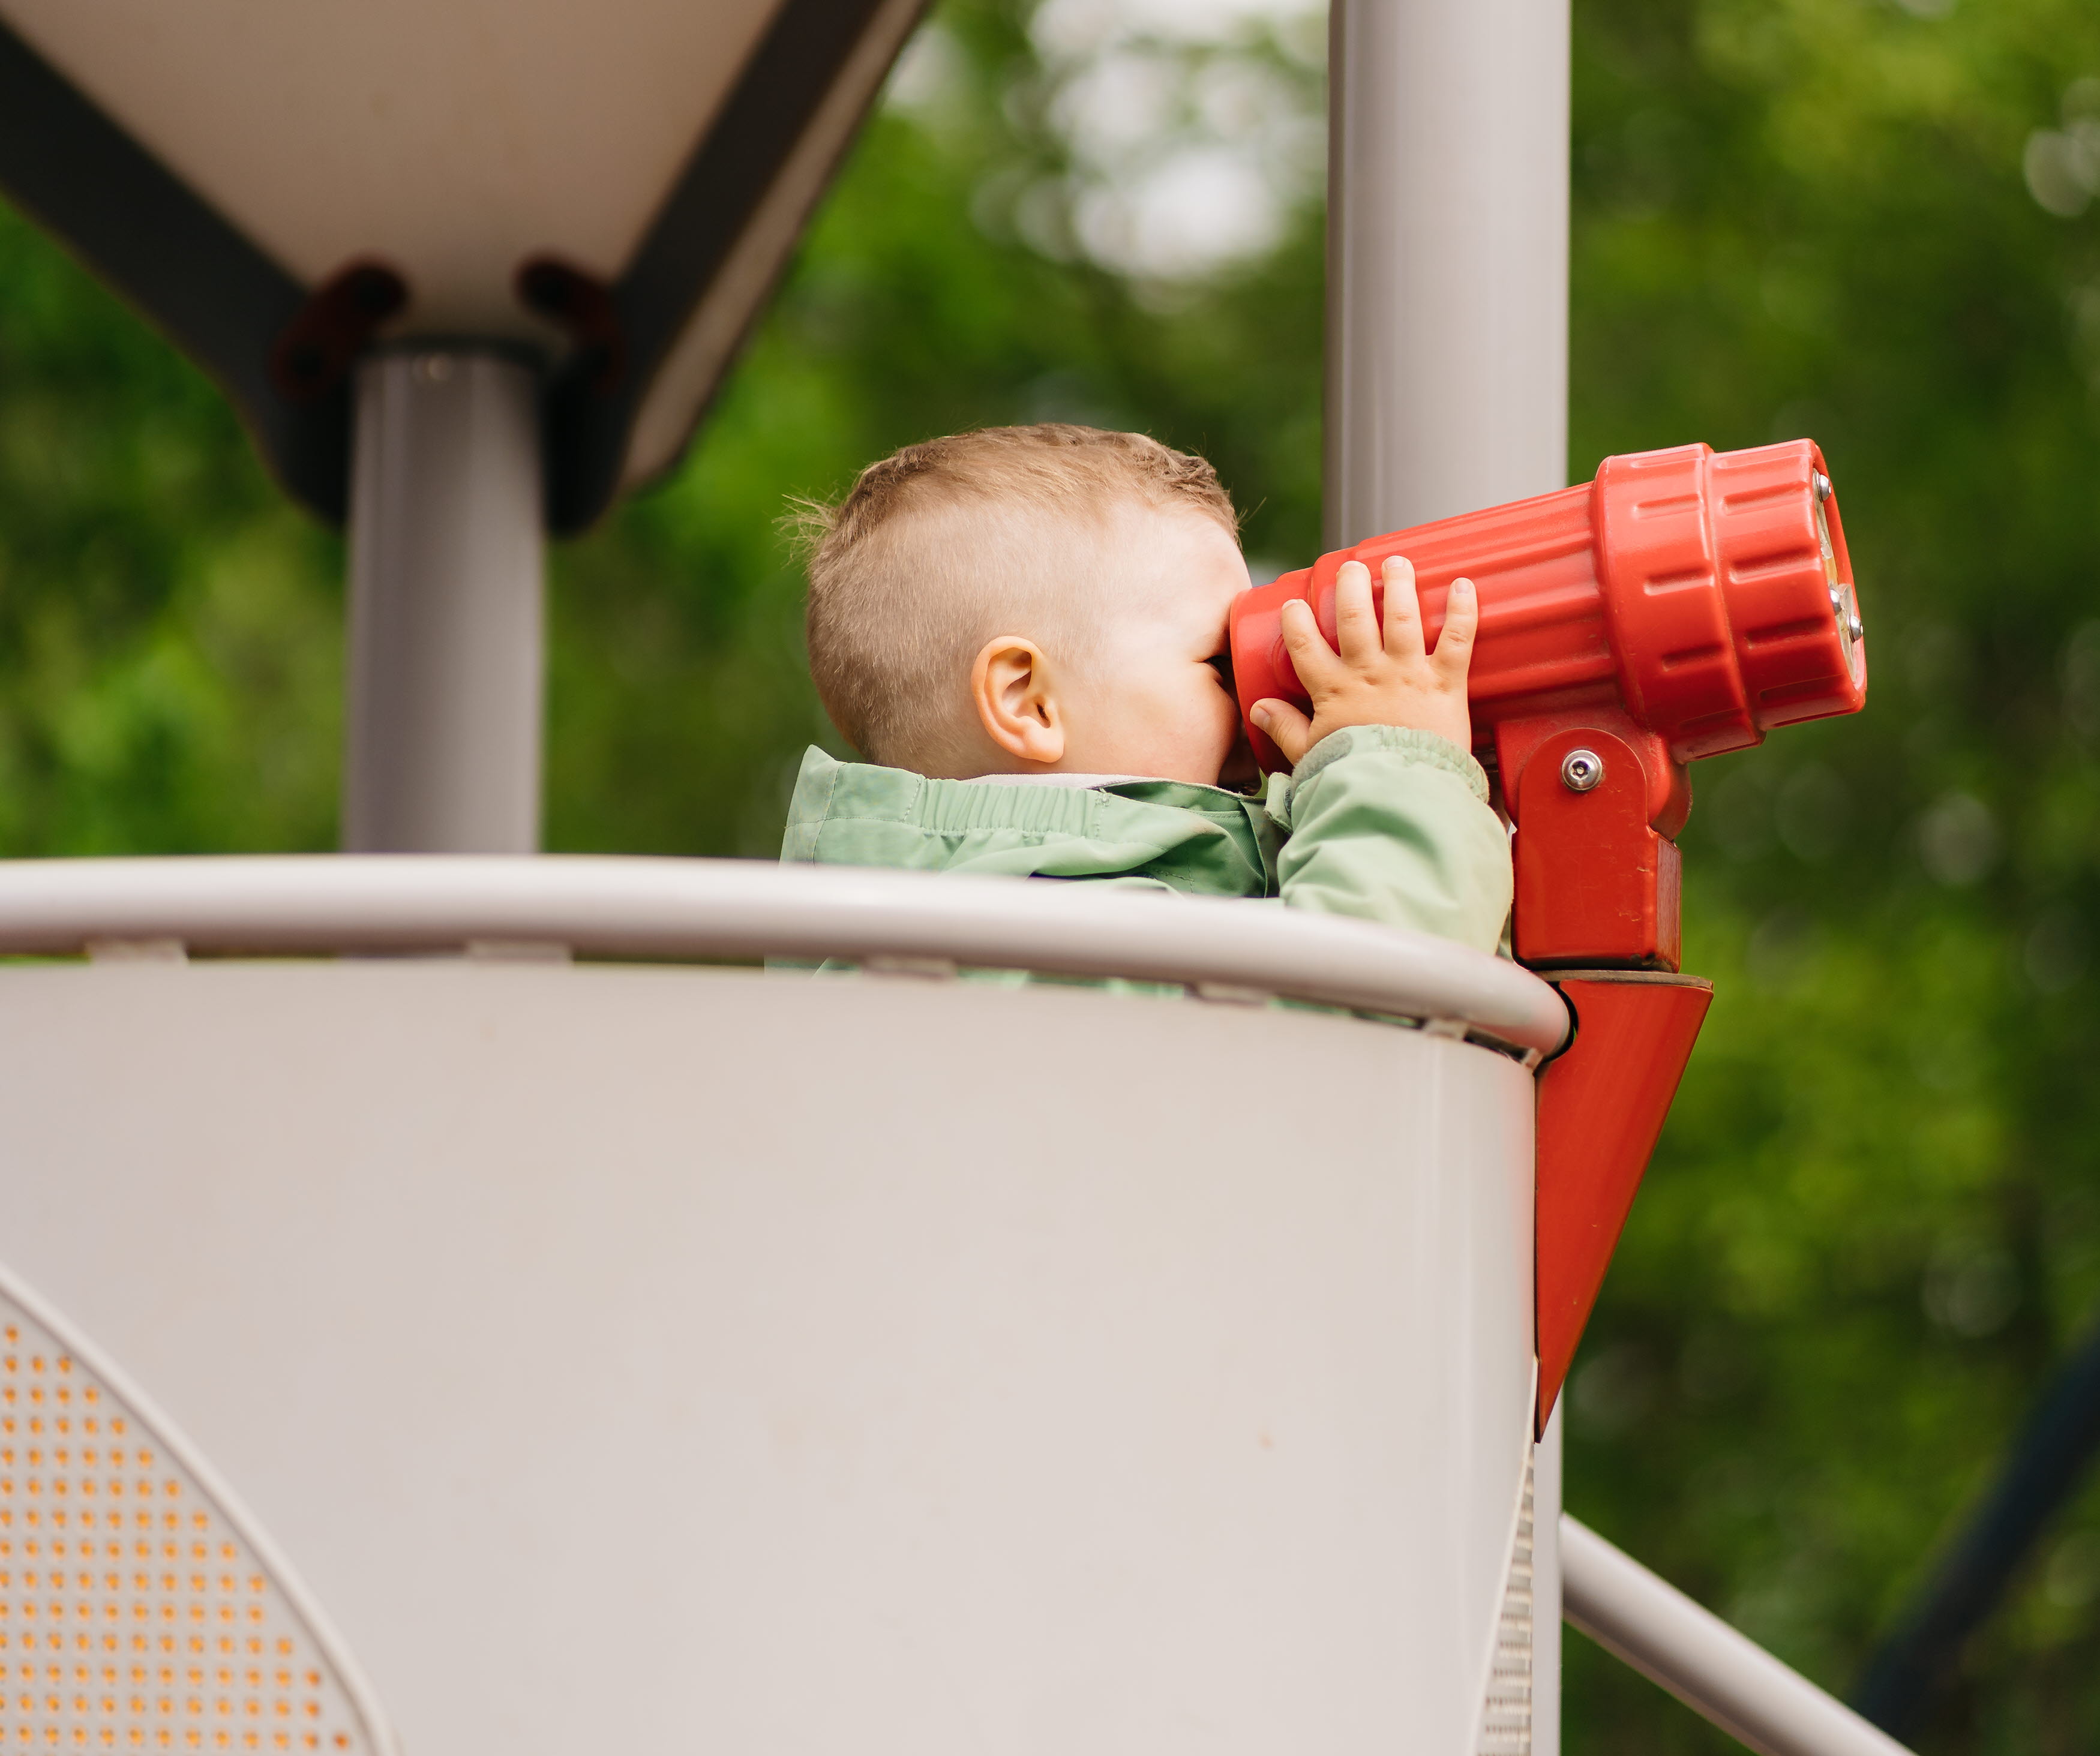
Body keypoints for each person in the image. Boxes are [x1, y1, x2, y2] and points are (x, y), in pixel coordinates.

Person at [780, 423, 1511, 954]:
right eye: (1218, 661)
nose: (1259, 684)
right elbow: (1345, 1025)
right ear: (1029, 701)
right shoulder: (1030, 941)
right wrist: (1403, 774)